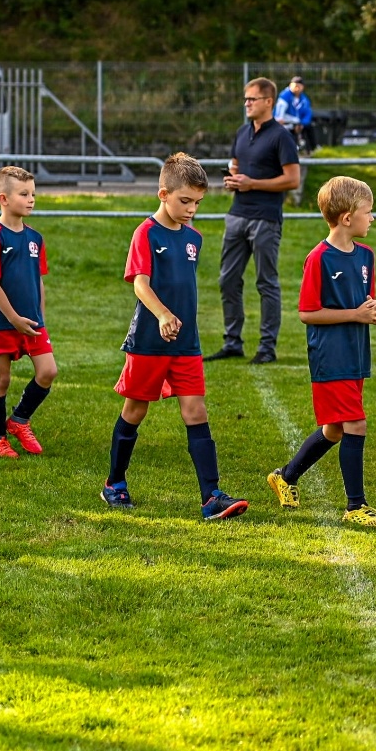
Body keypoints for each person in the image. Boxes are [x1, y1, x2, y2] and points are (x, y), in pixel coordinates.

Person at [102, 154, 249, 520]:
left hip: (186, 342)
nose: (191, 209)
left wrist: (179, 320)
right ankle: (114, 484)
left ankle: (211, 496)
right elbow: (140, 284)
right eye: (185, 201)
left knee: (196, 411)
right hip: (150, 341)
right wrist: (163, 314)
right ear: (163, 193)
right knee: (135, 411)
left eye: (198, 203)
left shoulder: (194, 239)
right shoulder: (146, 233)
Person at [266, 177, 376, 526]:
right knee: (356, 424)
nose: (373, 218)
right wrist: (355, 314)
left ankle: (286, 476)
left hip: (356, 353)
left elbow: (363, 302)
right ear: (348, 217)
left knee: (335, 429)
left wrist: (372, 310)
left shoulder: (366, 256)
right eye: (369, 212)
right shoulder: (318, 258)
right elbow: (307, 312)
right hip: (329, 356)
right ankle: (356, 507)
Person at [208, 76, 301, 365]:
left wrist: (253, 184)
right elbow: (235, 165)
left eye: (252, 99)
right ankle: (232, 342)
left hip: (265, 219)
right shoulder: (241, 132)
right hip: (237, 215)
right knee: (228, 280)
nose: (247, 103)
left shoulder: (281, 136)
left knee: (266, 283)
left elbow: (293, 180)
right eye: (246, 99)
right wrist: (233, 179)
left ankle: (267, 347)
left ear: (268, 102)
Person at [0, 167, 57, 459]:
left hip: (33, 322)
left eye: (33, 193)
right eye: (24, 194)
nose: (31, 199)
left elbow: (38, 281)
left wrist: (41, 317)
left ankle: (19, 420)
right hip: (1, 321)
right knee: (1, 379)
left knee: (48, 371)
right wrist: (13, 319)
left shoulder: (36, 238)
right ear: (3, 198)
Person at [276, 75, 317, 154]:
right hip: (286, 122)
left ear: (302, 87)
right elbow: (279, 113)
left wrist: (302, 124)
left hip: (297, 122)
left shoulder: (304, 99)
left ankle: (311, 150)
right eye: (295, 86)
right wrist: (280, 120)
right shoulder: (285, 96)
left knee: (309, 127)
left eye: (299, 86)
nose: (296, 88)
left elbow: (307, 113)